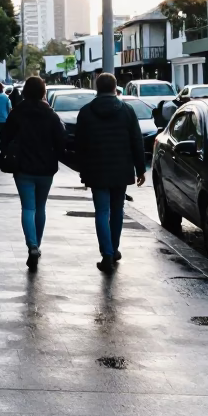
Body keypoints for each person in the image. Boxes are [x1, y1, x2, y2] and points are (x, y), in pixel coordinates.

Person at [74, 72, 146, 273]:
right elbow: (136, 142)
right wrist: (140, 169)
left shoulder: (86, 112)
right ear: (116, 88)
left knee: (101, 211)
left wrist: (83, 171)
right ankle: (114, 249)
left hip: (96, 170)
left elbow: (79, 145)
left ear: (97, 88)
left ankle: (106, 253)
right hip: (121, 169)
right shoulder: (127, 111)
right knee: (117, 211)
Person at [0, 77, 65, 270]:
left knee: (28, 208)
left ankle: (32, 245)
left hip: (22, 168)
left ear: (25, 91)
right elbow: (61, 141)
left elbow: (5, 139)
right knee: (41, 207)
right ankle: (38, 244)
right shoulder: (51, 115)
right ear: (43, 91)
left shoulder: (17, 113)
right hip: (46, 169)